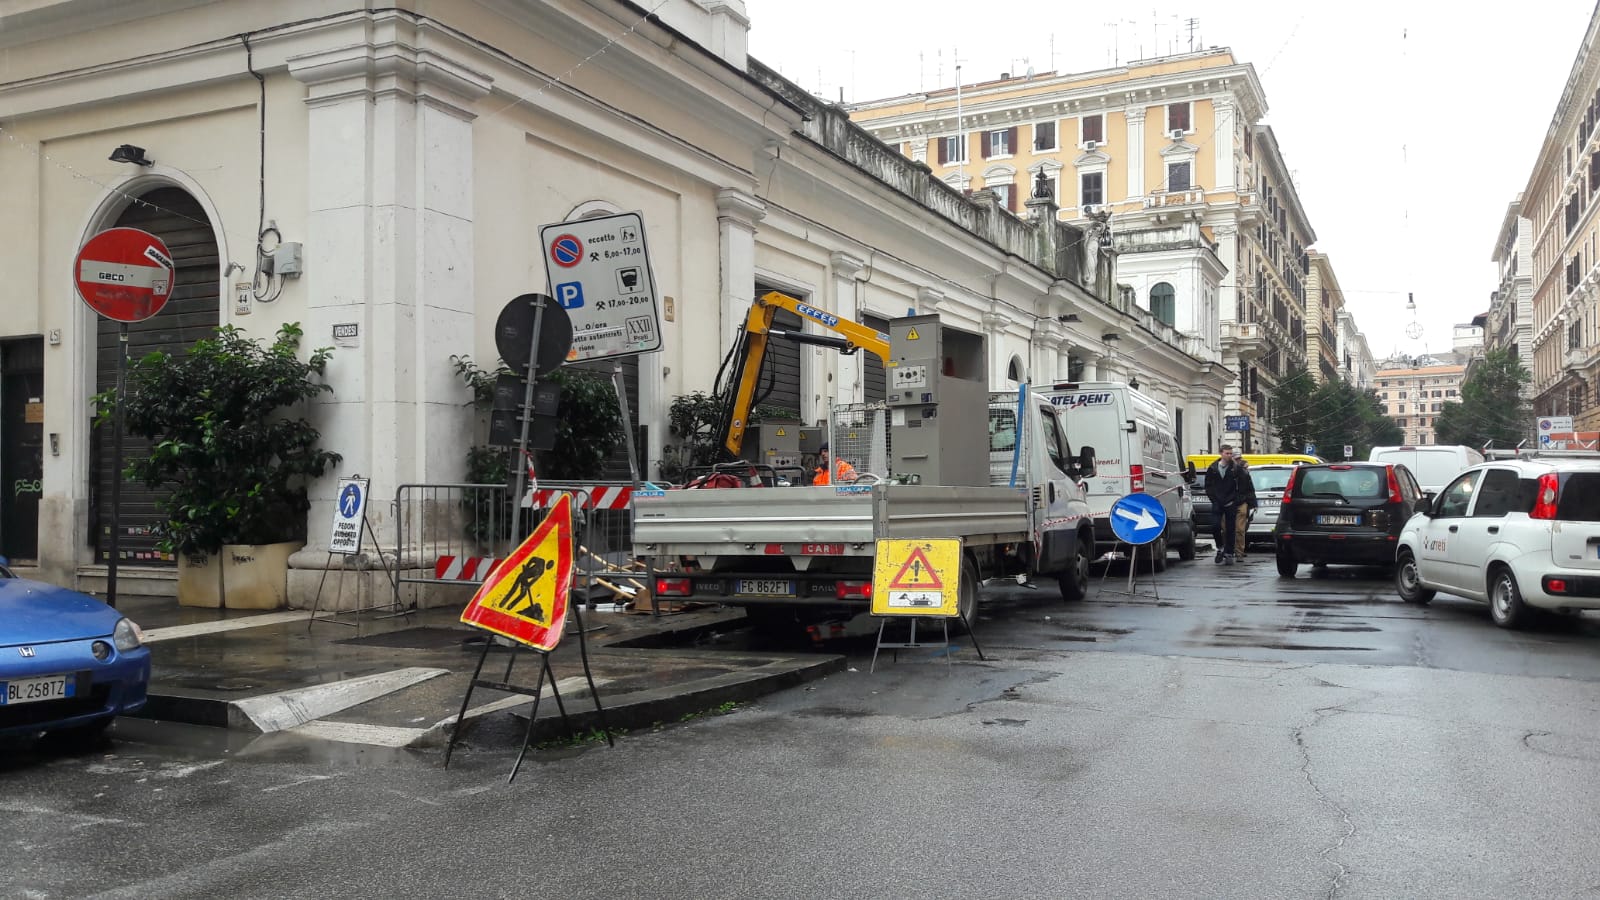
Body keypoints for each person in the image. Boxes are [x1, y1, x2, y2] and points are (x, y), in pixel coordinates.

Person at [1202, 444, 1243, 565]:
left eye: (1231, 453)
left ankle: (1229, 552)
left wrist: (1236, 500)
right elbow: (1208, 485)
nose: (1229, 456)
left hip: (1230, 502)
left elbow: (1242, 485)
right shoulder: (1213, 468)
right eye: (1227, 453)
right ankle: (1220, 547)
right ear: (1221, 453)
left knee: (1231, 529)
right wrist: (1213, 498)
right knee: (1215, 526)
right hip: (1217, 502)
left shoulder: (1235, 468)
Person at [1234, 458, 1258, 560]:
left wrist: (1253, 503)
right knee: (1226, 529)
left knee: (1240, 529)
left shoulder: (1245, 475)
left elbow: (1250, 489)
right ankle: (1228, 550)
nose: (1246, 470)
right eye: (1245, 467)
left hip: (1241, 502)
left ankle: (1239, 551)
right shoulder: (1225, 472)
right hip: (1227, 504)